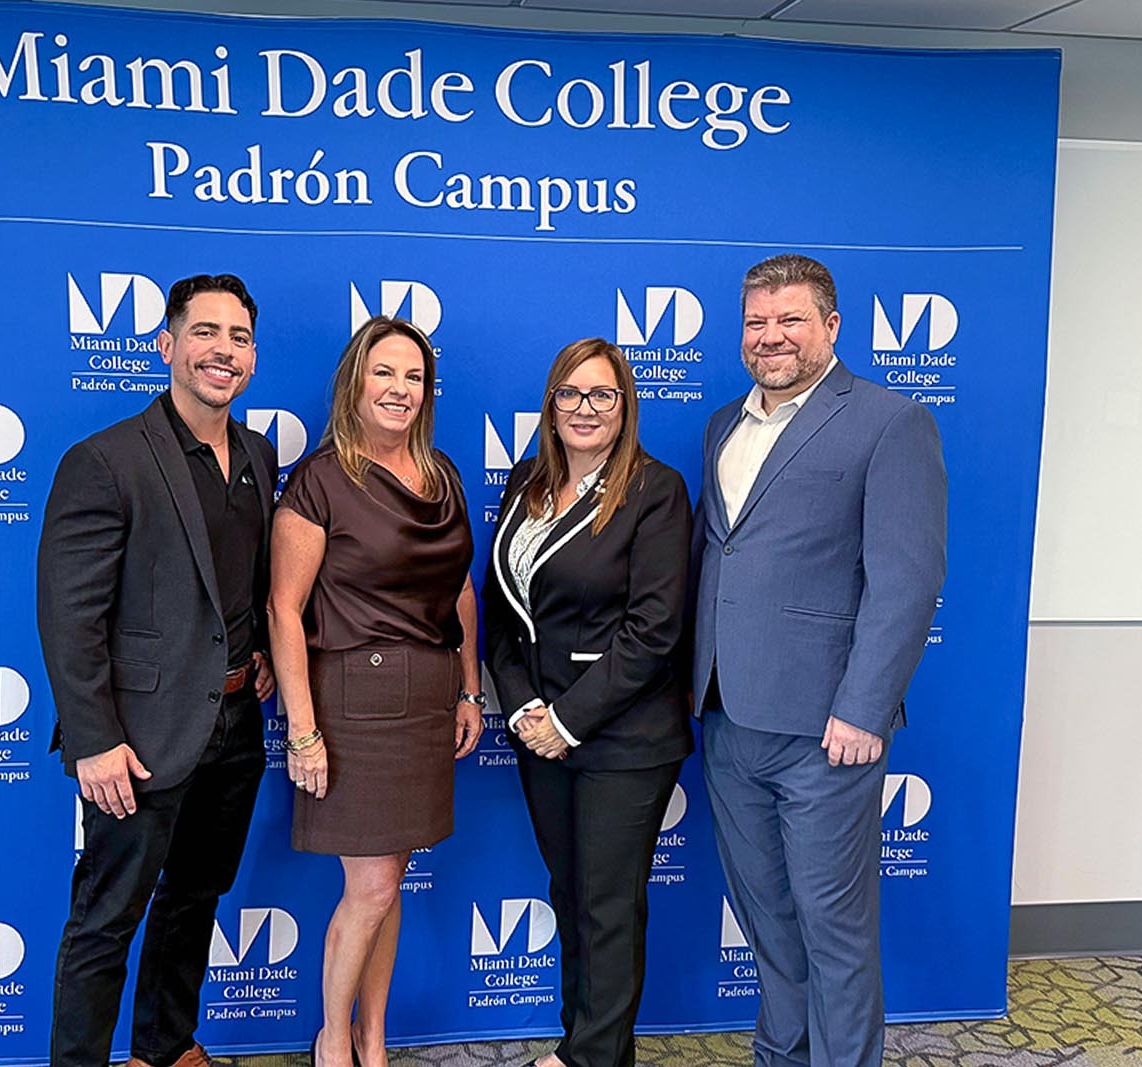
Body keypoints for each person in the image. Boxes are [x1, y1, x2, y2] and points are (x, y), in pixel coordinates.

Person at [691, 254, 947, 1067]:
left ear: (832, 326)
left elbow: (907, 580)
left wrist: (866, 708)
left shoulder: (888, 420)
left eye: (791, 319)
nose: (772, 337)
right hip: (728, 717)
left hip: (827, 728)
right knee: (766, 916)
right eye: (757, 322)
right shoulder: (724, 423)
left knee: (834, 931)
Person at [37, 273, 278, 1067]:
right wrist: (94, 739)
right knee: (106, 919)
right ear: (168, 345)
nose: (224, 351)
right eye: (206, 332)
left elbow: (241, 584)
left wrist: (263, 659)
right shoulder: (105, 460)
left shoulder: (258, 454)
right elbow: (70, 618)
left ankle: (165, 1046)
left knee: (193, 900)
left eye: (239, 337)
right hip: (137, 740)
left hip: (237, 726)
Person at [267, 315, 484, 1067]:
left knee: (387, 877)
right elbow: (283, 611)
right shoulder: (321, 479)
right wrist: (303, 730)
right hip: (355, 697)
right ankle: (332, 1040)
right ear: (354, 382)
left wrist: (469, 687)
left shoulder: (445, 473)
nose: (400, 389)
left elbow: (458, 587)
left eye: (414, 376)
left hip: (427, 694)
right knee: (371, 884)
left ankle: (374, 1037)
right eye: (384, 373)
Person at [484, 338, 693, 1067]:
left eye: (601, 394)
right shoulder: (526, 482)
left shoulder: (654, 490)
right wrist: (521, 712)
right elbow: (501, 616)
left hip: (624, 736)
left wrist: (566, 718)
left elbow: (654, 627)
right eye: (569, 394)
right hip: (537, 732)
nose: (584, 408)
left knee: (607, 904)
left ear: (624, 405)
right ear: (551, 404)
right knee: (570, 891)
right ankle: (590, 1046)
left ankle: (592, 1058)